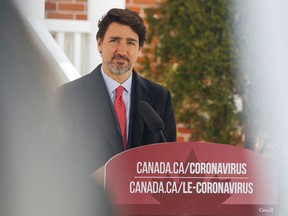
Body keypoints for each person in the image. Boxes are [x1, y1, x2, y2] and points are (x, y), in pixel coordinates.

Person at [52, 8, 177, 177]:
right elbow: (55, 162)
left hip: (143, 201)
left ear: (140, 49)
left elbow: (168, 161)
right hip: (91, 201)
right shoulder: (68, 96)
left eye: (130, 43)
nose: (122, 51)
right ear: (99, 43)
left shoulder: (160, 97)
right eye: (114, 41)